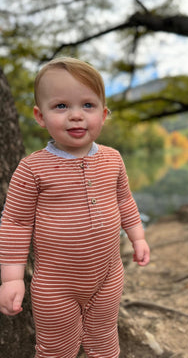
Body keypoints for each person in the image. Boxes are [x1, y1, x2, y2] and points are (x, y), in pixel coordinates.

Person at [0, 57, 150, 358]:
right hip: (56, 284)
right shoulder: (32, 169)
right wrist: (12, 278)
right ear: (40, 116)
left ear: (104, 114)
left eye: (87, 106)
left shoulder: (112, 159)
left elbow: (124, 201)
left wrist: (138, 237)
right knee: (56, 349)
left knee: (105, 341)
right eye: (61, 107)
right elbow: (15, 223)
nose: (76, 116)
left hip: (108, 276)